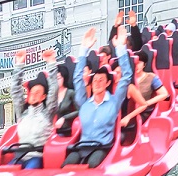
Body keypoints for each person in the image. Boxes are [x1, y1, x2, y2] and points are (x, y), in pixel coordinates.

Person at [71, 25, 133, 166]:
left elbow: (127, 76)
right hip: (82, 147)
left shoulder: (114, 102)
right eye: (95, 80)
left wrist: (120, 49)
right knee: (67, 165)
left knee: (93, 165)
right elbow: (77, 79)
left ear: (107, 83)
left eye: (101, 80)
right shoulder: (84, 103)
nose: (97, 83)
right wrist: (83, 50)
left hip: (102, 147)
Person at [7, 48, 59, 167]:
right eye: (32, 92)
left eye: (37, 93)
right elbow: (15, 92)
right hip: (20, 156)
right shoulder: (23, 113)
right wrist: (19, 65)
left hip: (37, 157)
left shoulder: (47, 113)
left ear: (43, 96)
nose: (34, 95)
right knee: (7, 173)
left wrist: (51, 63)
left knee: (29, 172)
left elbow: (54, 90)